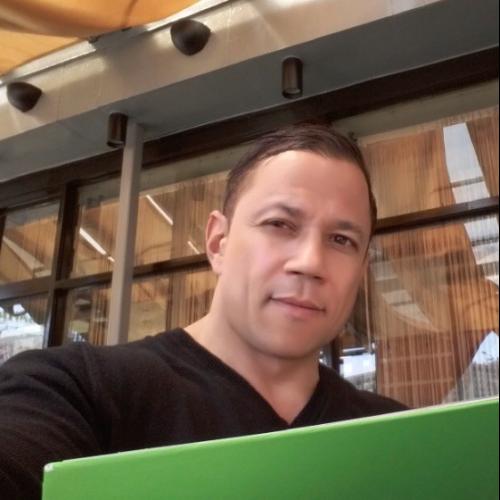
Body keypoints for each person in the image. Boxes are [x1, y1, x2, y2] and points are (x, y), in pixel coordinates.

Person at [0, 124, 407, 499]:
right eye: (280, 224)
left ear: (361, 270)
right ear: (217, 243)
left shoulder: (398, 438)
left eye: (341, 240)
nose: (310, 262)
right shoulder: (78, 391)